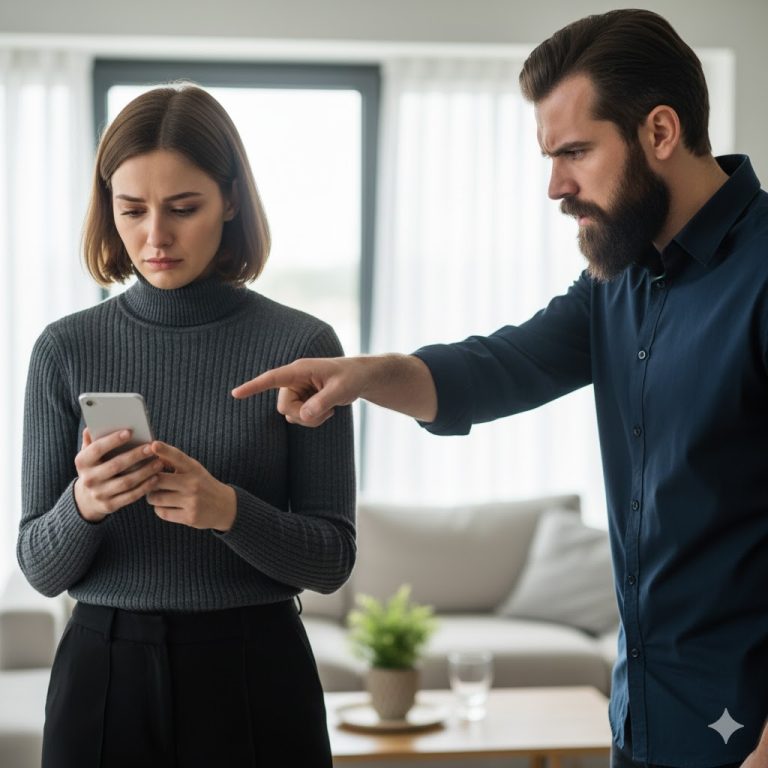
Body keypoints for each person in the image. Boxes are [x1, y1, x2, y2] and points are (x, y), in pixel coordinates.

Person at [232, 10, 768, 768]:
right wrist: (362, 377)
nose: (556, 186)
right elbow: (502, 366)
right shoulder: (617, 282)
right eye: (550, 156)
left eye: (576, 152)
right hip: (646, 720)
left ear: (659, 132)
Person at [18, 84, 355, 768]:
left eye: (183, 208)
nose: (154, 237)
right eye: (131, 210)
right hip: (103, 670)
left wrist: (227, 510)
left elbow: (332, 560)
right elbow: (38, 567)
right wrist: (83, 505)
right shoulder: (65, 348)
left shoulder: (303, 343)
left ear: (230, 202)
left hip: (256, 669)